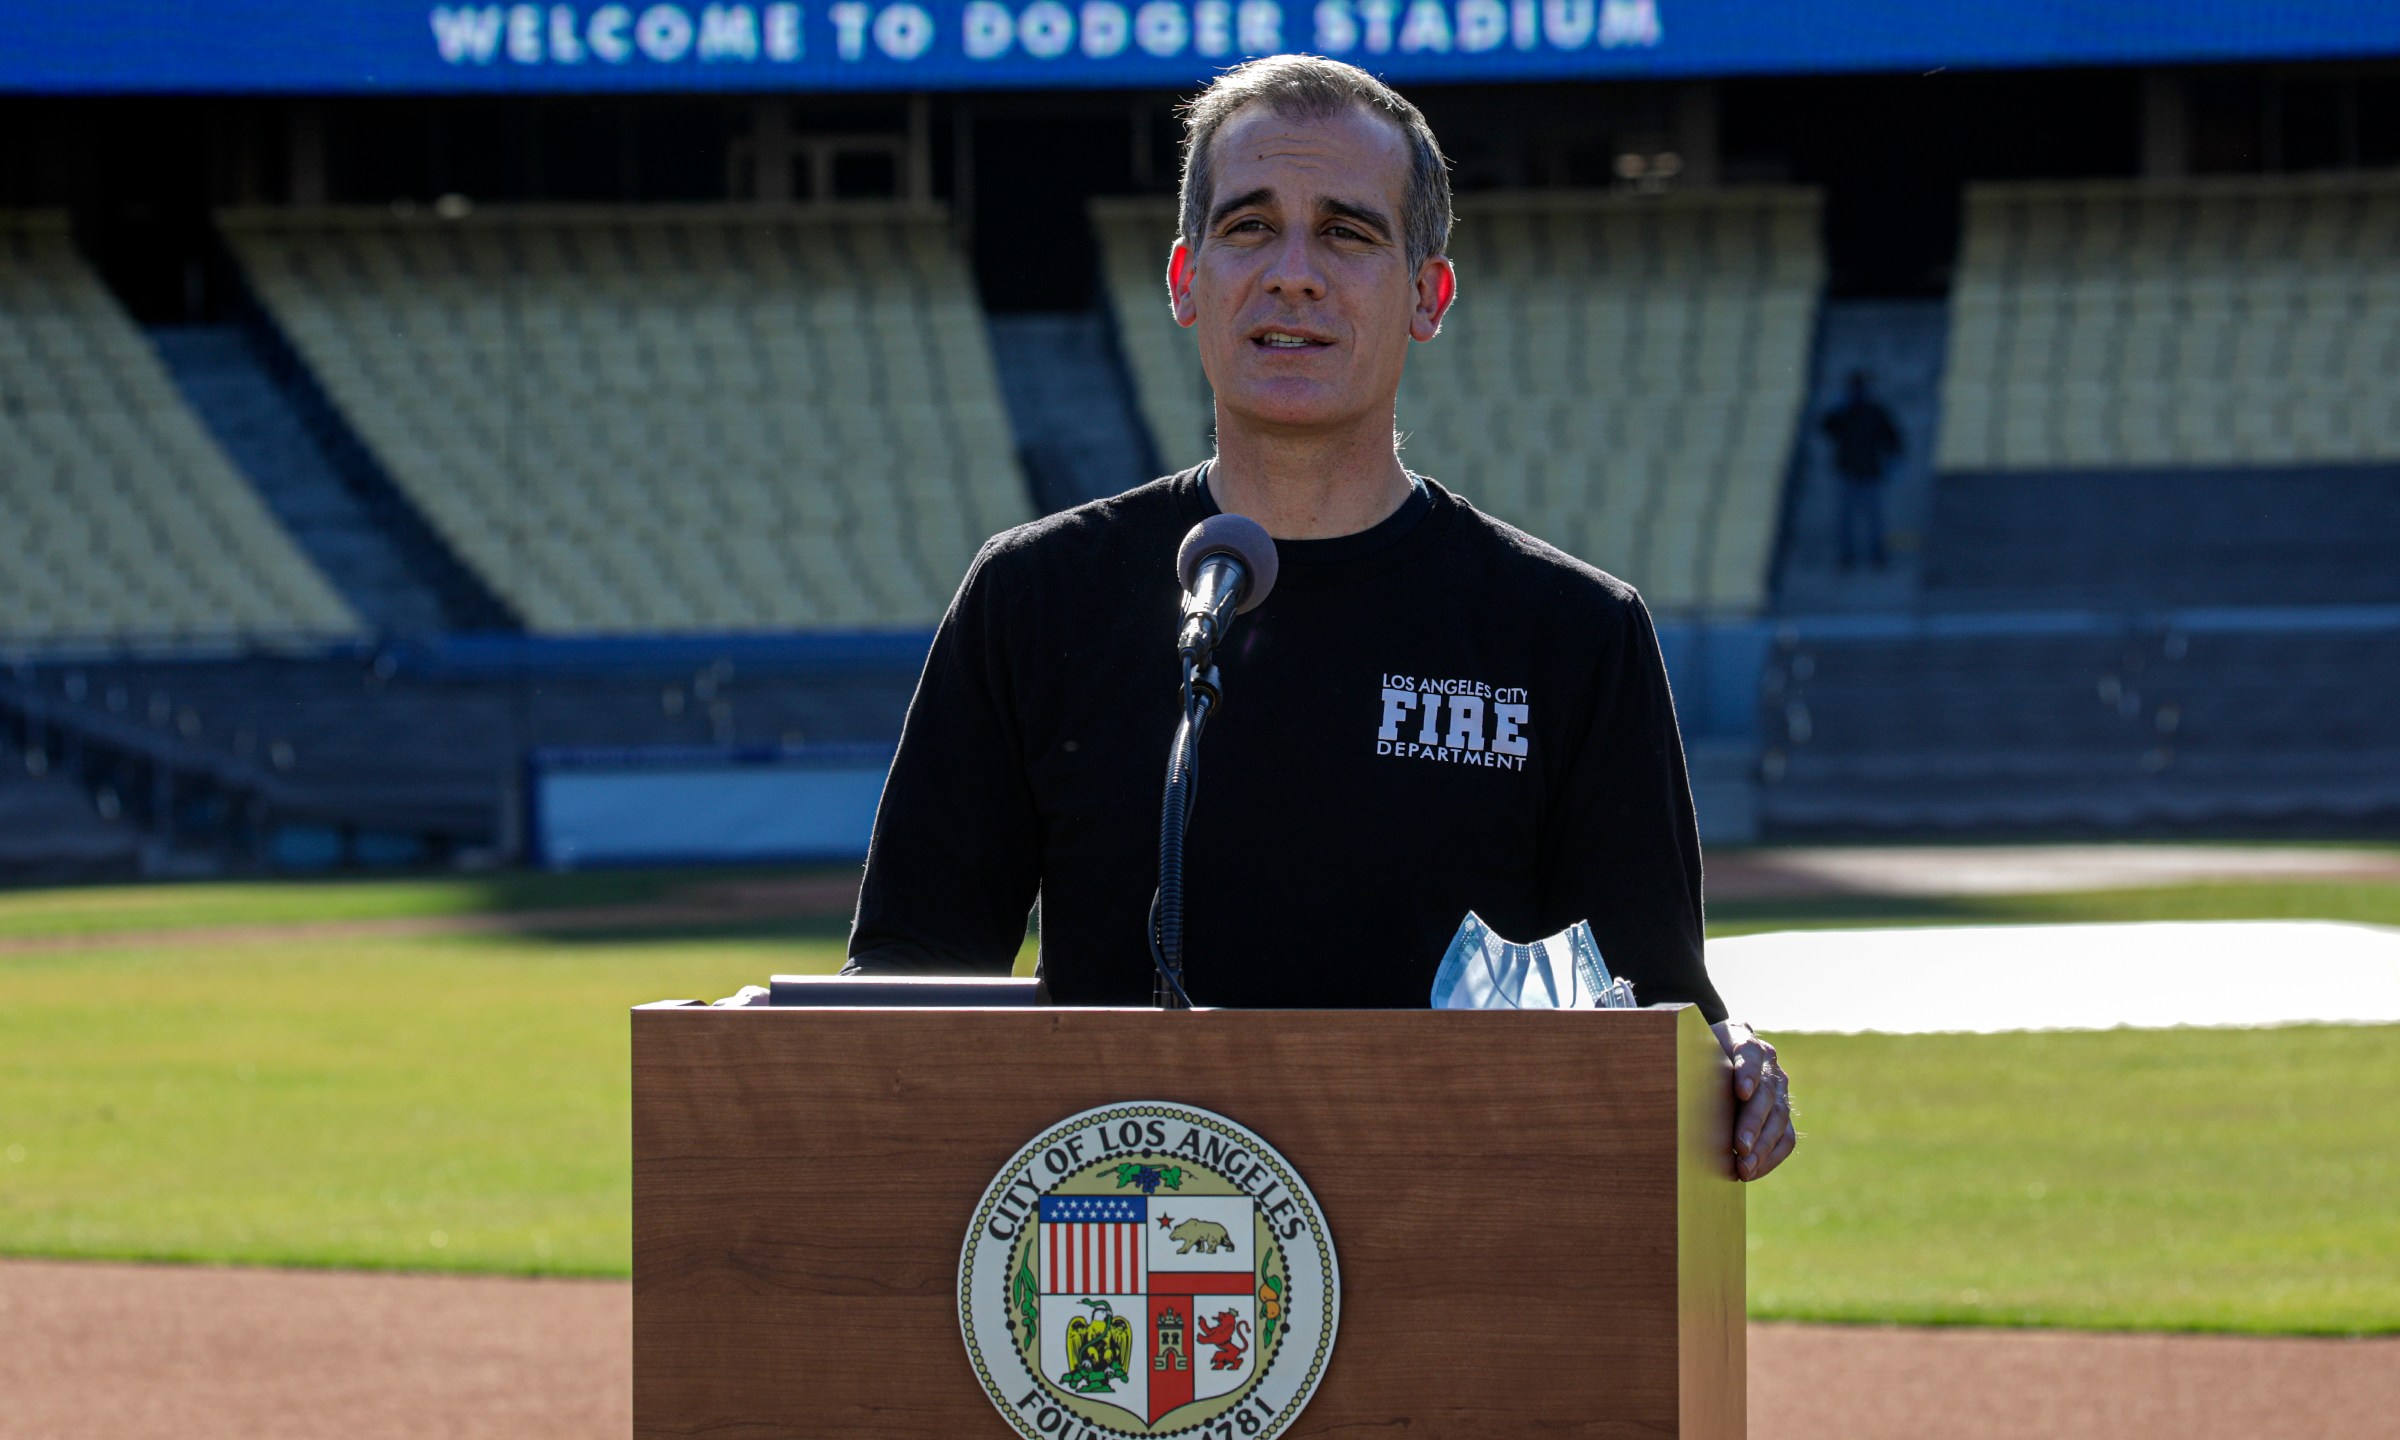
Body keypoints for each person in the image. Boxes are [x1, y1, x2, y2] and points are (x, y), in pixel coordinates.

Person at [847, 55, 1794, 1182]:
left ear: (1427, 296)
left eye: (1347, 234)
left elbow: (1650, 1011)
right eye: (1251, 228)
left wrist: (1725, 1059)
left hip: (1455, 1274)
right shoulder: (1033, 597)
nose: (1293, 275)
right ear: (1187, 279)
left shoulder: (1569, 633)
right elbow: (906, 987)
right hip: (1114, 1281)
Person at [1821, 369, 1904, 570]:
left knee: (1874, 519)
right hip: (1848, 472)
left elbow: (1893, 437)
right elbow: (1826, 427)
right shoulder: (1844, 412)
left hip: (1870, 473)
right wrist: (1837, 409)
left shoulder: (1875, 411)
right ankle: (1847, 556)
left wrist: (1893, 460)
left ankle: (1877, 555)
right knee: (1846, 520)